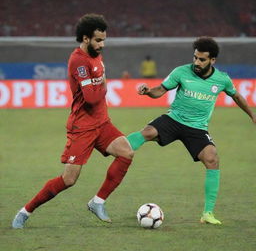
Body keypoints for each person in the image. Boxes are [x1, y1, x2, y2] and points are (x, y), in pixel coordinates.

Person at [12, 14, 134, 229]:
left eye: (104, 39)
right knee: (69, 179)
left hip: (102, 123)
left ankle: (98, 202)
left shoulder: (97, 55)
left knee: (126, 152)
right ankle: (25, 211)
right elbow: (92, 98)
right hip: (83, 127)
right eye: (98, 40)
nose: (102, 44)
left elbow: (98, 92)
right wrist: (104, 84)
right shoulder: (78, 60)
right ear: (86, 38)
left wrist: (101, 85)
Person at [127, 37, 256, 225]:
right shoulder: (181, 72)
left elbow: (236, 96)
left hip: (197, 128)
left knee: (212, 158)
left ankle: (207, 214)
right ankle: (118, 148)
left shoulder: (221, 79)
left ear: (212, 60)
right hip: (174, 119)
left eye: (202, 59)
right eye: (195, 57)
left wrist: (251, 115)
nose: (196, 62)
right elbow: (160, 91)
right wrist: (148, 91)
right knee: (147, 132)